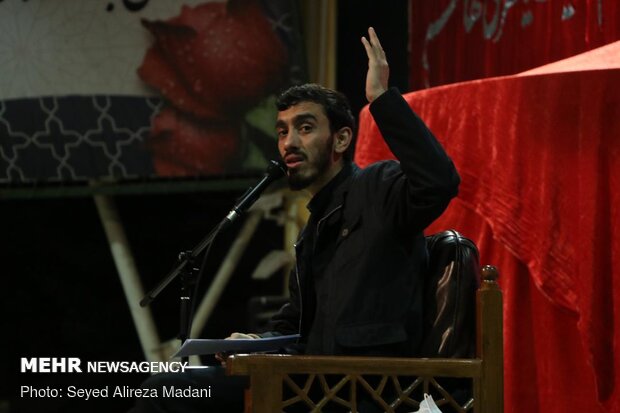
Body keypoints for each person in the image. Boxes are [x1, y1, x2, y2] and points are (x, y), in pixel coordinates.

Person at [130, 26, 459, 412]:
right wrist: (255, 343)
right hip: (312, 384)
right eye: (282, 131)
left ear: (340, 140)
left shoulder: (378, 188)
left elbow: (439, 182)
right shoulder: (312, 229)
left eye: (305, 128)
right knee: (169, 387)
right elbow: (297, 326)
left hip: (364, 391)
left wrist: (382, 100)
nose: (288, 143)